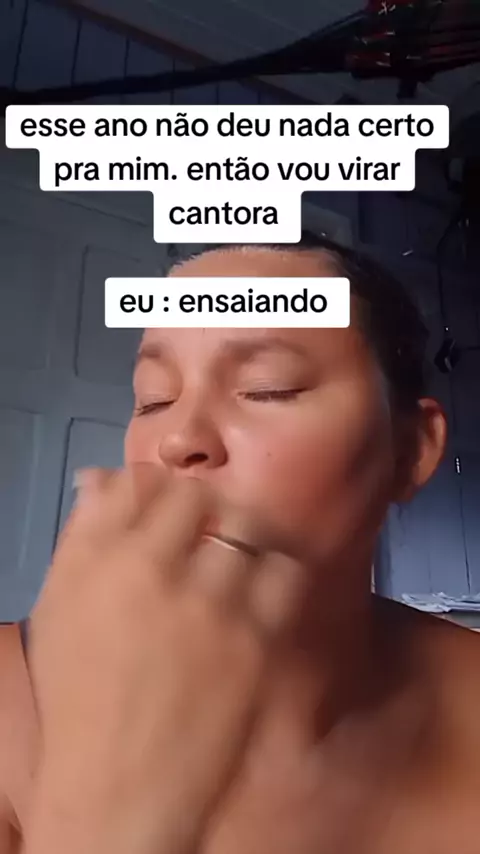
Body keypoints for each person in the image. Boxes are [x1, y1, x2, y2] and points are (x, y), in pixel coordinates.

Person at [1, 232, 480, 854]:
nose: (179, 439)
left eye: (268, 387)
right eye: (154, 399)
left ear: (411, 450)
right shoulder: (13, 704)